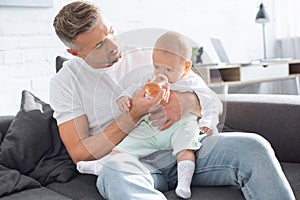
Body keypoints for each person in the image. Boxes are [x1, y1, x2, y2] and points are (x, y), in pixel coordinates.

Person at [50, 1, 296, 200]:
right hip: (132, 162)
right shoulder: (66, 83)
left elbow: (210, 100)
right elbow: (81, 154)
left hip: (183, 148)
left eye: (112, 31)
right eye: (101, 44)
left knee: (253, 146)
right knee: (115, 174)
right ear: (75, 53)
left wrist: (185, 102)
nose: (114, 44)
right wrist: (133, 114)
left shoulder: (149, 54)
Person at [76, 31, 219, 199]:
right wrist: (125, 97)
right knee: (130, 141)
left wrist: (208, 122)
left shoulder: (192, 81)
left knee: (186, 147)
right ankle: (101, 164)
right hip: (153, 125)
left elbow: (209, 101)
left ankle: (184, 183)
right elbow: (136, 87)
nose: (161, 73)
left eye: (169, 69)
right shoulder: (152, 77)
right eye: (157, 66)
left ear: (186, 67)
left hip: (182, 124)